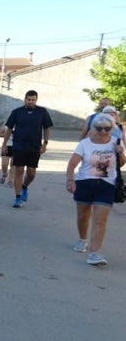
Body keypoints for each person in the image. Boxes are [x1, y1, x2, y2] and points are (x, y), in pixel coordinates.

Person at [66, 112, 125, 267]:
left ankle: (94, 253)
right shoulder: (85, 144)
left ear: (112, 128)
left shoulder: (116, 142)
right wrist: (70, 180)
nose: (103, 131)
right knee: (83, 216)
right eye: (99, 128)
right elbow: (72, 164)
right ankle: (82, 239)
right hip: (84, 182)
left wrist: (121, 153)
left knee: (100, 220)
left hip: (106, 185)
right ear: (94, 127)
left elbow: (122, 164)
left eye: (107, 128)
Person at [1, 90, 53, 208]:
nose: (30, 102)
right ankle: (18, 197)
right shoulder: (17, 112)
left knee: (31, 173)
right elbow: (9, 128)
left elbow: (47, 128)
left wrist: (45, 143)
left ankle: (25, 186)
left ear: (36, 100)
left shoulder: (42, 112)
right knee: (19, 170)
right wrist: (4, 144)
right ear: (25, 99)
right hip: (19, 146)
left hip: (34, 147)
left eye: (33, 100)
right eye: (29, 100)